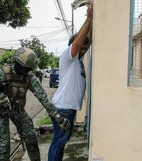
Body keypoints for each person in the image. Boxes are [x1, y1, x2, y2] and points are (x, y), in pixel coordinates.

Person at [0, 47, 70, 161]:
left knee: (31, 136)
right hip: (1, 111)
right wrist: (0, 96)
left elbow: (43, 98)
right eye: (23, 68)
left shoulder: (29, 77)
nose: (24, 72)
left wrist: (57, 117)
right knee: (4, 144)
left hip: (18, 110)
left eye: (27, 69)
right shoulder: (3, 73)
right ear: (16, 62)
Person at [48, 2, 93, 161]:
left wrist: (92, 21)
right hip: (63, 108)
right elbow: (78, 43)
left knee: (61, 141)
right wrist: (88, 19)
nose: (83, 51)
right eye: (81, 48)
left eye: (84, 49)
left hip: (68, 108)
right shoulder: (69, 57)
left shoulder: (78, 60)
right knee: (59, 142)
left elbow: (88, 41)